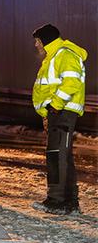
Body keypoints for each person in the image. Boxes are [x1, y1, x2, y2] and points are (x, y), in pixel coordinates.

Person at [30, 24, 87, 215]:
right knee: (62, 157)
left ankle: (57, 201)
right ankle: (70, 202)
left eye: (37, 41)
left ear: (45, 40)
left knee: (57, 157)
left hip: (62, 112)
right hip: (58, 113)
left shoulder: (64, 54)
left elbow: (72, 82)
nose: (36, 45)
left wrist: (54, 105)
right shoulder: (54, 56)